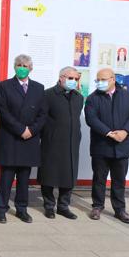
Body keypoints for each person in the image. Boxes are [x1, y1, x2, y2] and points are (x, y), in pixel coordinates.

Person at [0, 54, 46, 224]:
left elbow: (42, 114)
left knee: (24, 178)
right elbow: (3, 111)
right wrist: (20, 129)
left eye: (25, 65)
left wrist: (31, 130)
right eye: (18, 64)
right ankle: (1, 209)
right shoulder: (4, 86)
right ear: (14, 67)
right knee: (6, 177)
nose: (22, 67)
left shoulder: (39, 88)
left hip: (29, 139)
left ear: (31, 68)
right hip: (11, 138)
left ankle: (22, 209)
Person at [85, 68, 129, 224]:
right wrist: (109, 133)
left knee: (119, 180)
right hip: (101, 145)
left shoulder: (128, 96)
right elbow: (91, 119)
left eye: (103, 80)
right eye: (98, 80)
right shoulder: (92, 98)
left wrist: (125, 131)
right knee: (99, 178)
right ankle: (97, 206)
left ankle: (120, 210)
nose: (100, 83)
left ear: (113, 79)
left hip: (123, 145)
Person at [38, 66, 84, 220]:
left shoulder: (78, 97)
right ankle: (49, 206)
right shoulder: (48, 95)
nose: (74, 81)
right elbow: (42, 118)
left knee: (69, 174)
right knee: (49, 174)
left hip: (72, 142)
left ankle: (63, 206)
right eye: (70, 78)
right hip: (52, 141)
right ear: (61, 77)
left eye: (76, 79)